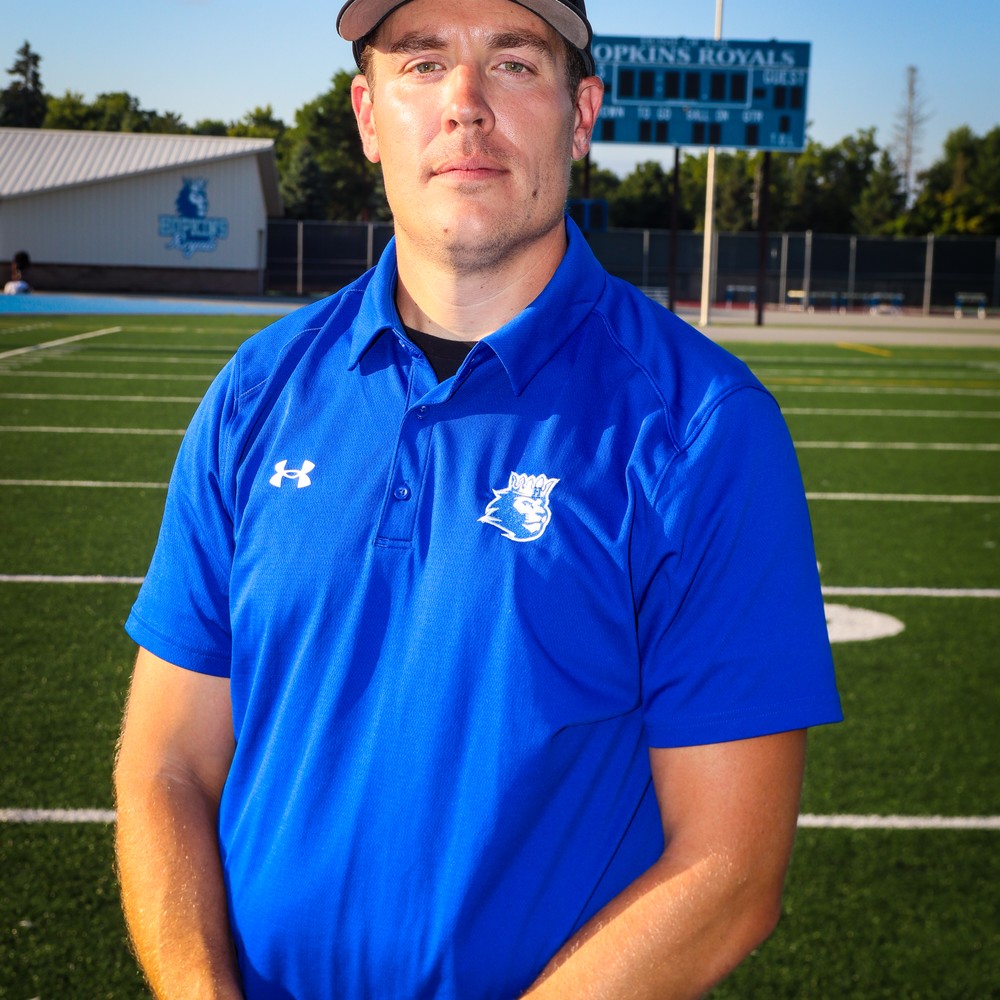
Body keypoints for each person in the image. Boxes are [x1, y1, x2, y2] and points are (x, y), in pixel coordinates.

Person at [113, 0, 843, 996]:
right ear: (367, 117)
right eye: (422, 65)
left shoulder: (703, 428)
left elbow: (729, 871)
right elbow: (167, 764)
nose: (464, 102)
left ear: (580, 114)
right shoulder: (256, 391)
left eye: (513, 63)